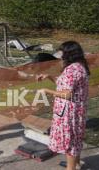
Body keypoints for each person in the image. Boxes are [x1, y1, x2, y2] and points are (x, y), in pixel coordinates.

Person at [36, 41, 90, 170]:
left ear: (69, 53)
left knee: (69, 141)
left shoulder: (71, 69)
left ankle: (70, 168)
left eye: (61, 52)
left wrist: (46, 91)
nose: (59, 54)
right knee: (75, 138)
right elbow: (65, 85)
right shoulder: (79, 66)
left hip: (68, 112)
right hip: (76, 110)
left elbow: (66, 94)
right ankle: (76, 164)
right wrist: (49, 76)